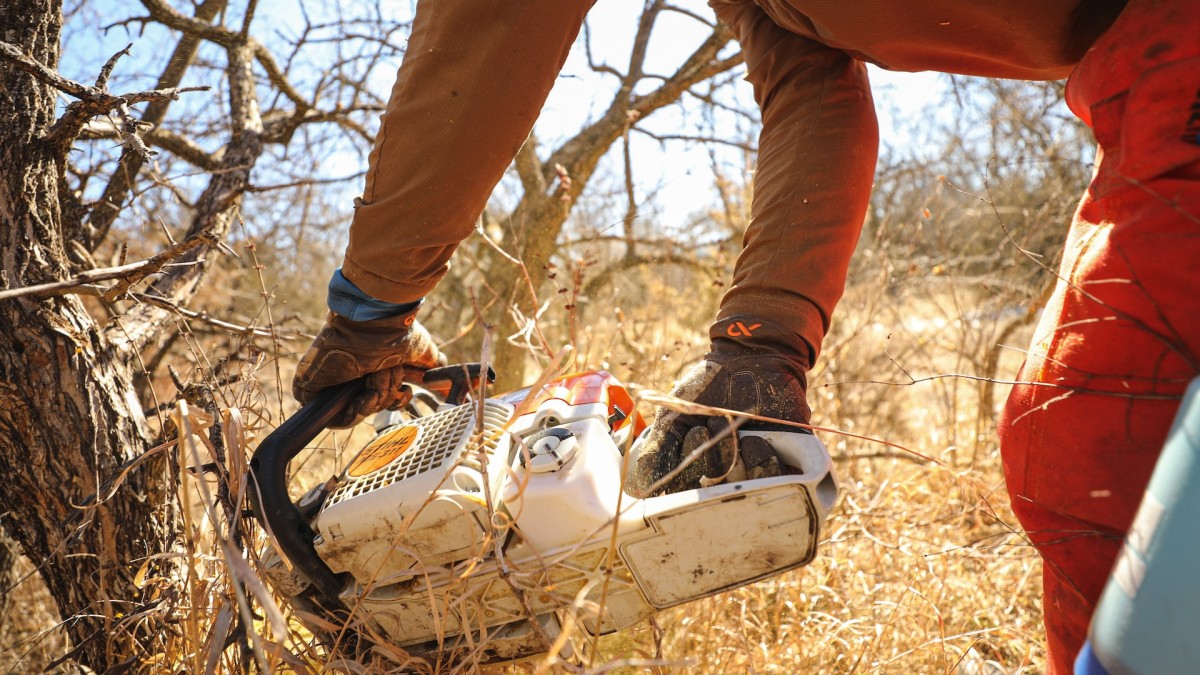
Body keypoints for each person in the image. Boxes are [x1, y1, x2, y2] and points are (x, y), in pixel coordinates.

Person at [291, 1, 1199, 672]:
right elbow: (814, 88)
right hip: (1147, 68)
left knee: (1104, 440)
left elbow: (494, 23)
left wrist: (373, 306)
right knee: (1087, 442)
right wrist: (757, 346)